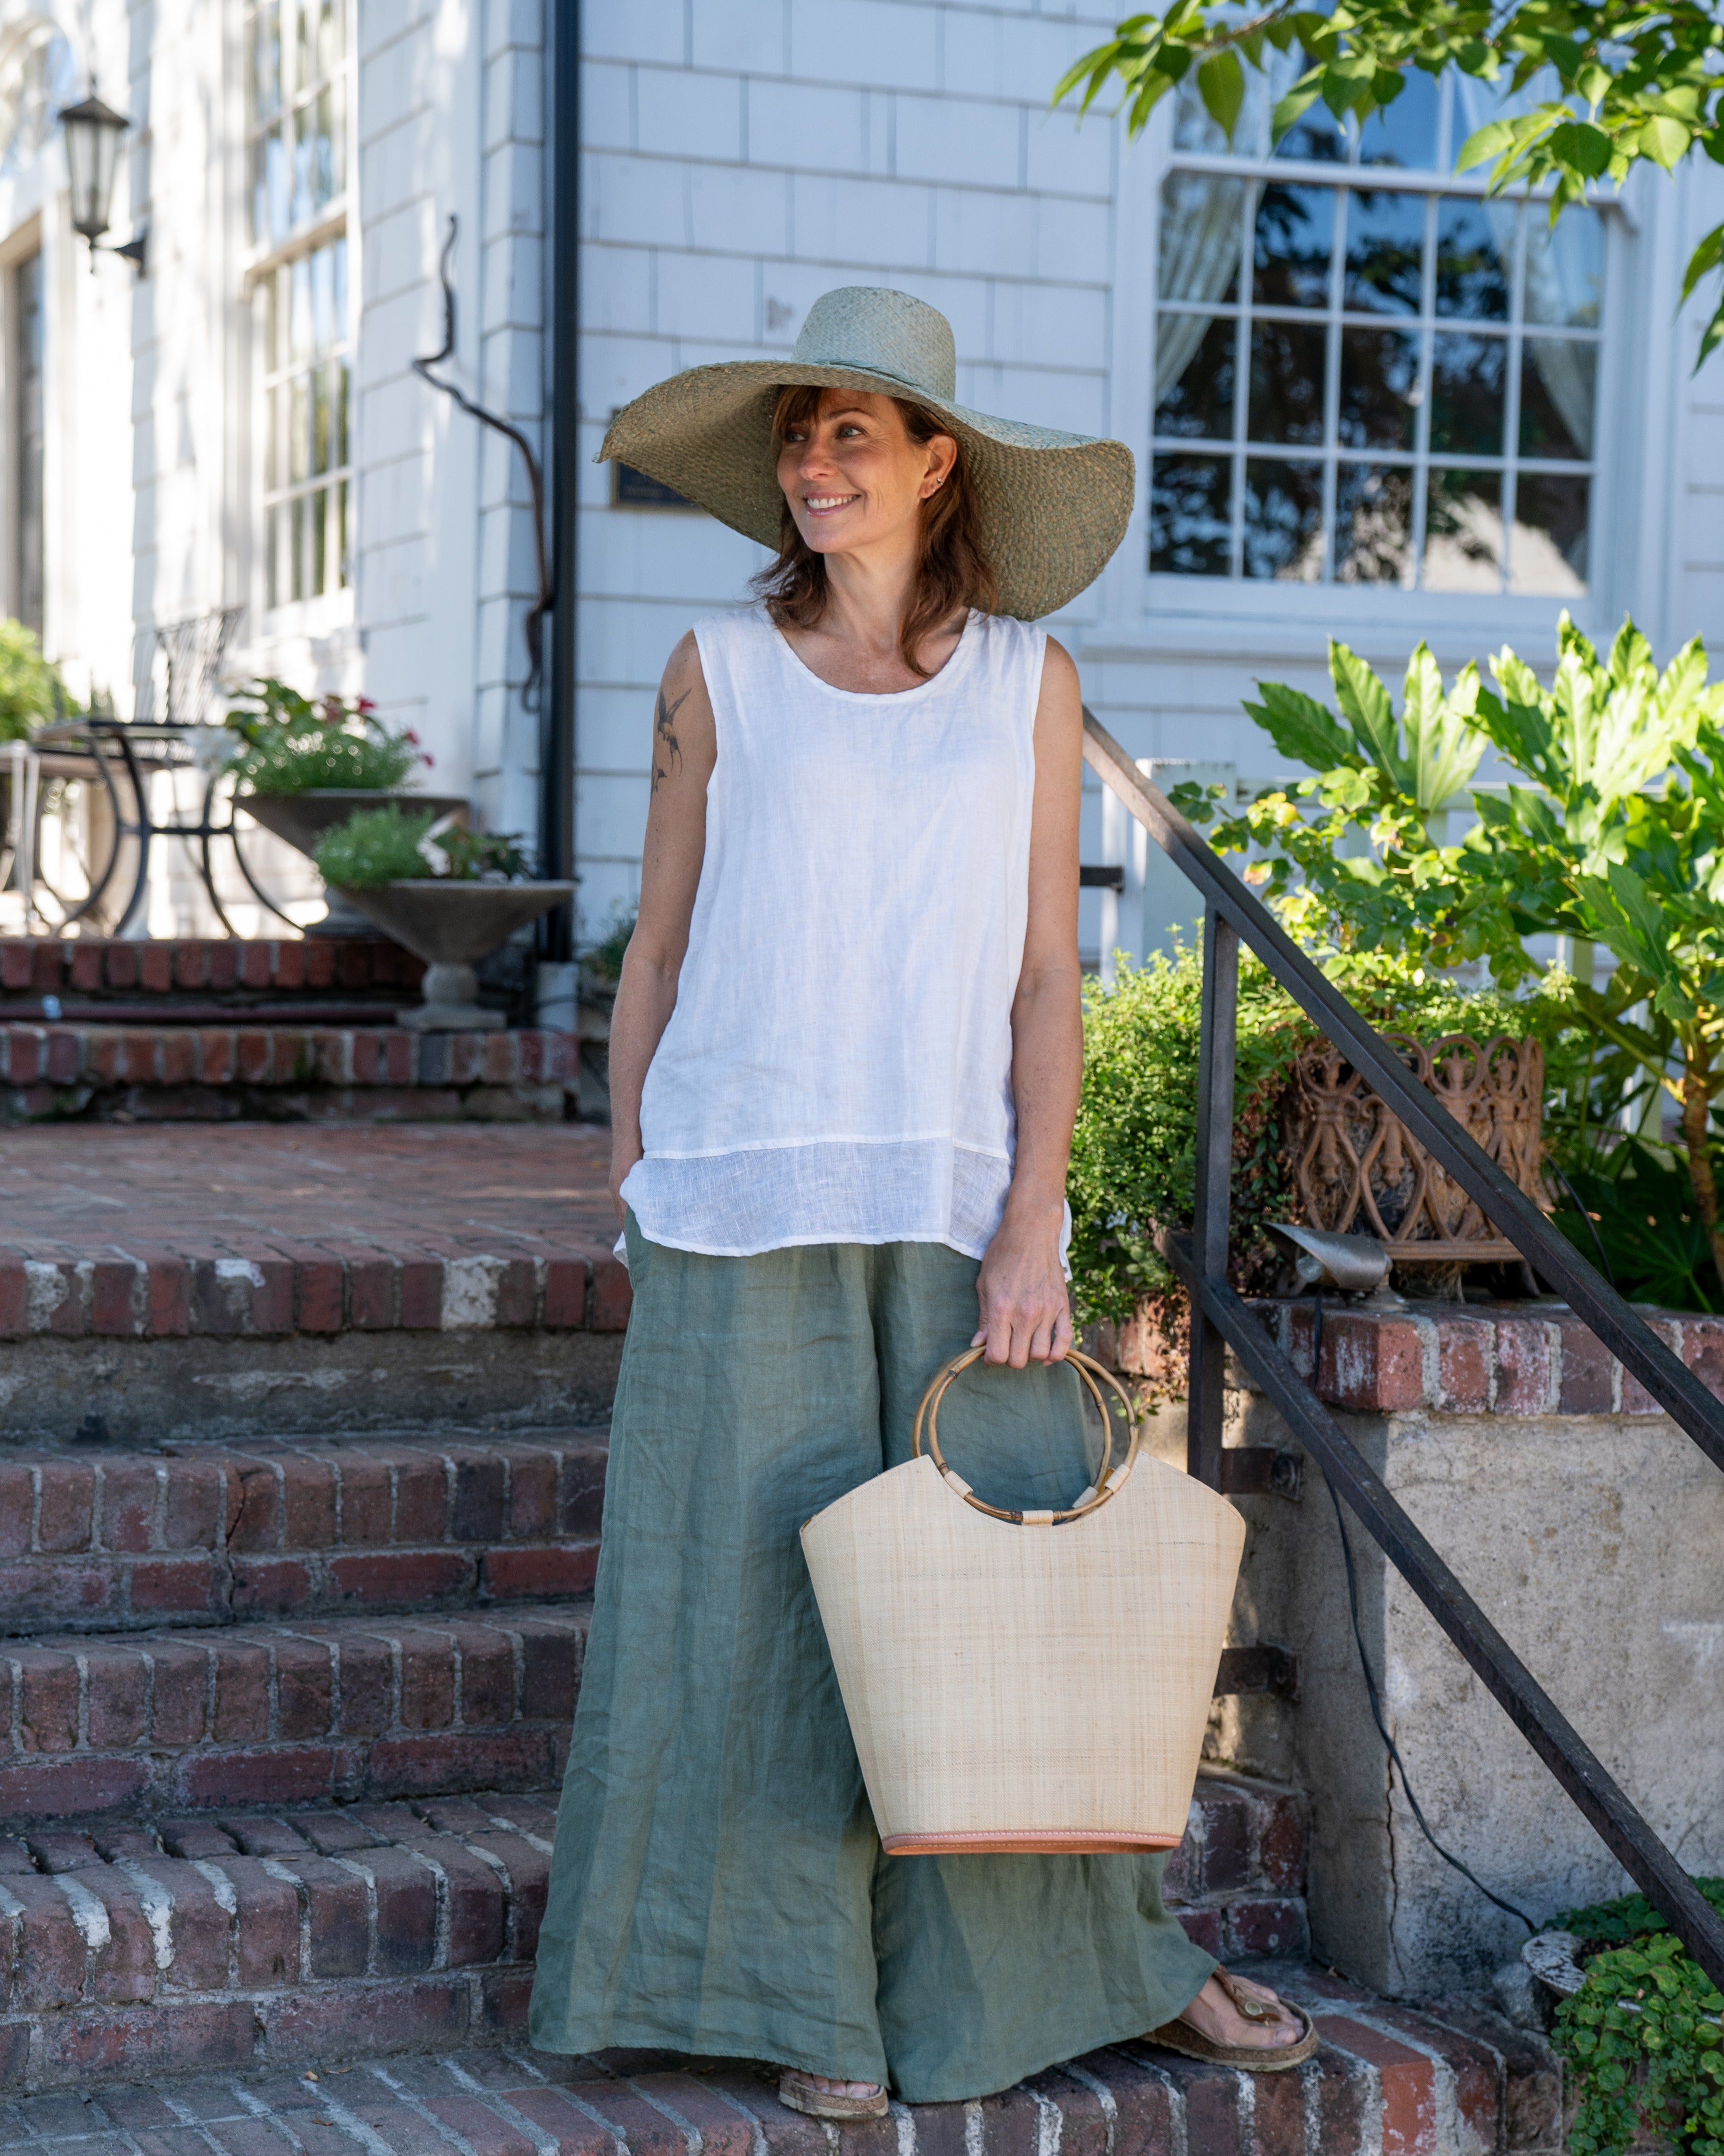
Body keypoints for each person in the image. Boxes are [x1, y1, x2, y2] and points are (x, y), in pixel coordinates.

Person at [529, 287, 1316, 2115]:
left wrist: (1031, 1217)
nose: (813, 467)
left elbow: (1051, 975)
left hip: (953, 1210)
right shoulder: (708, 675)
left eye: (850, 437)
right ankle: (803, 2011)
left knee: (991, 1618)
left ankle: (1067, 1974)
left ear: (936, 462)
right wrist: (630, 1165)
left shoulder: (1026, 691)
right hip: (736, 1196)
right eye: (796, 439)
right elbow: (656, 944)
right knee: (738, 1614)